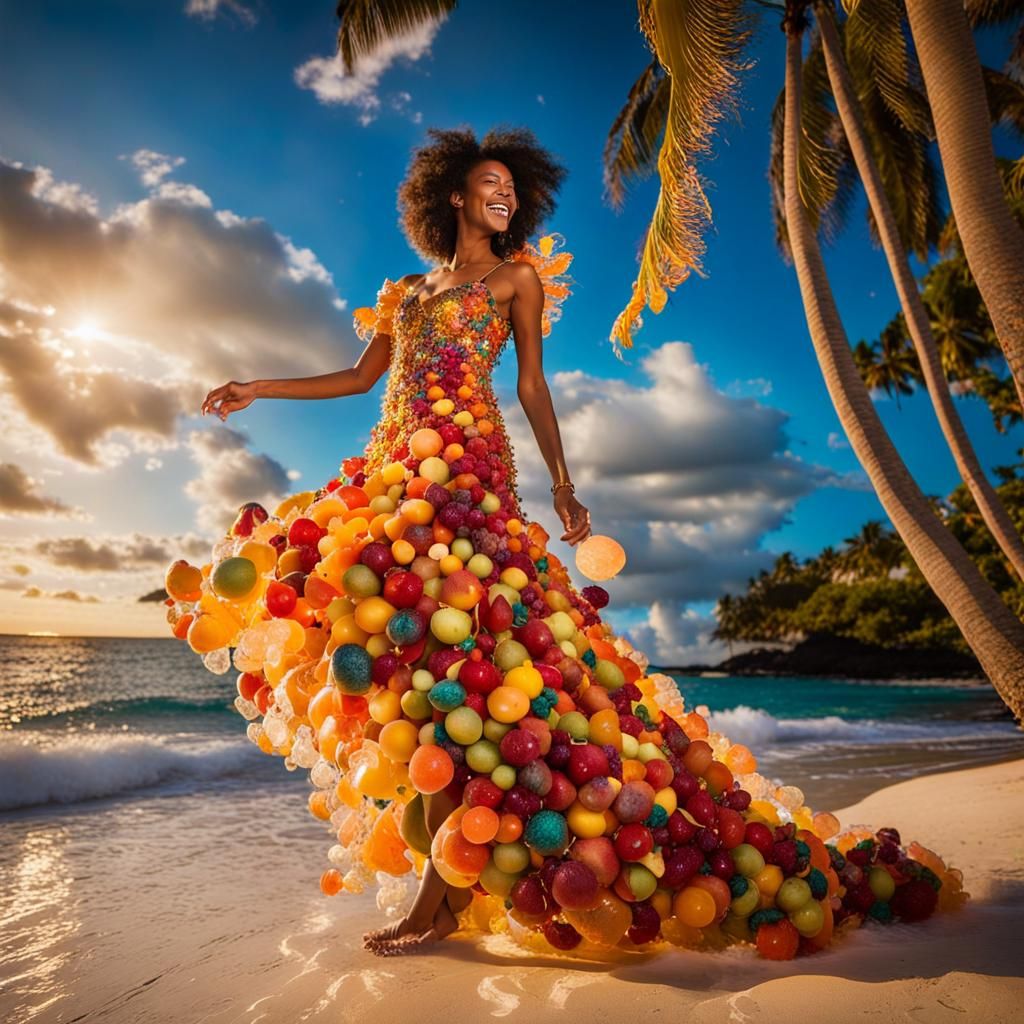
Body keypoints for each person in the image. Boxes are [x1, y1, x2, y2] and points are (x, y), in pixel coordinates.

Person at [181, 126, 965, 961]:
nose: (505, 196)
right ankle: (441, 880)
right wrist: (258, 386)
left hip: (466, 475)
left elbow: (530, 383)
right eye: (490, 183)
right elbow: (359, 379)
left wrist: (560, 483)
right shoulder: (406, 293)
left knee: (454, 678)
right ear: (451, 194)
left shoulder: (518, 278)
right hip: (392, 467)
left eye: (513, 189)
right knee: (374, 638)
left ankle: (440, 898)